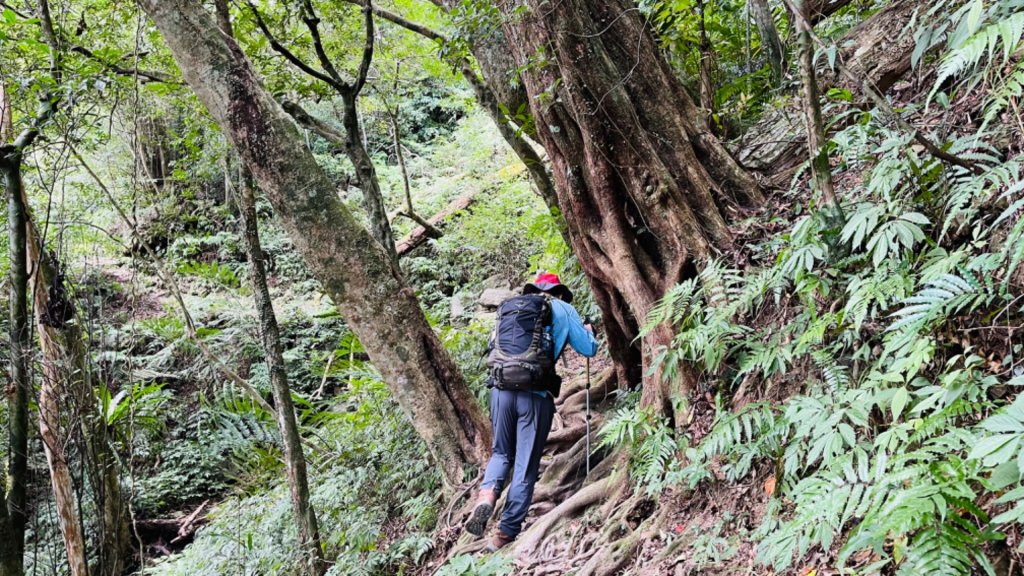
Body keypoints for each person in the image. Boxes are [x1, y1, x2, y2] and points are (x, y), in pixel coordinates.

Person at [466, 272, 599, 551]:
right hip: (535, 397)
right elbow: (587, 350)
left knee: (502, 453)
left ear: (534, 289)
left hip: (500, 392)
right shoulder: (563, 308)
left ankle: (487, 496)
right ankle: (504, 534)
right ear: (559, 292)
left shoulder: (513, 307)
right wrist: (589, 333)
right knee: (525, 466)